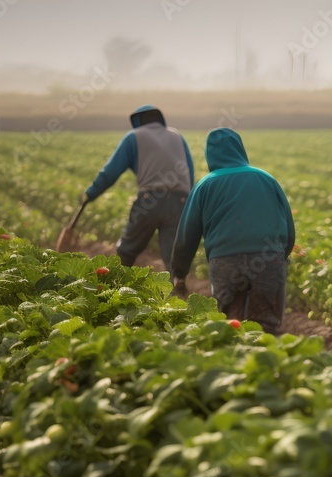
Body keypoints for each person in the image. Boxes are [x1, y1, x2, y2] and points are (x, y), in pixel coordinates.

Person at [170, 127, 295, 336]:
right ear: (240, 148)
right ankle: (268, 364)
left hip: (225, 261)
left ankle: (234, 366)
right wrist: (282, 255)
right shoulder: (266, 178)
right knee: (266, 328)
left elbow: (186, 236)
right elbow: (288, 226)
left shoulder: (205, 185)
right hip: (268, 258)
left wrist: (179, 274)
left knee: (230, 325)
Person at [83, 105, 194, 270]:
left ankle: (116, 286)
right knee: (174, 257)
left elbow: (110, 173)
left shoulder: (134, 137)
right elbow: (189, 171)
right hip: (180, 201)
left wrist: (91, 194)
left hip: (149, 201)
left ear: (138, 121)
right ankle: (178, 290)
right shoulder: (176, 135)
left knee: (127, 250)